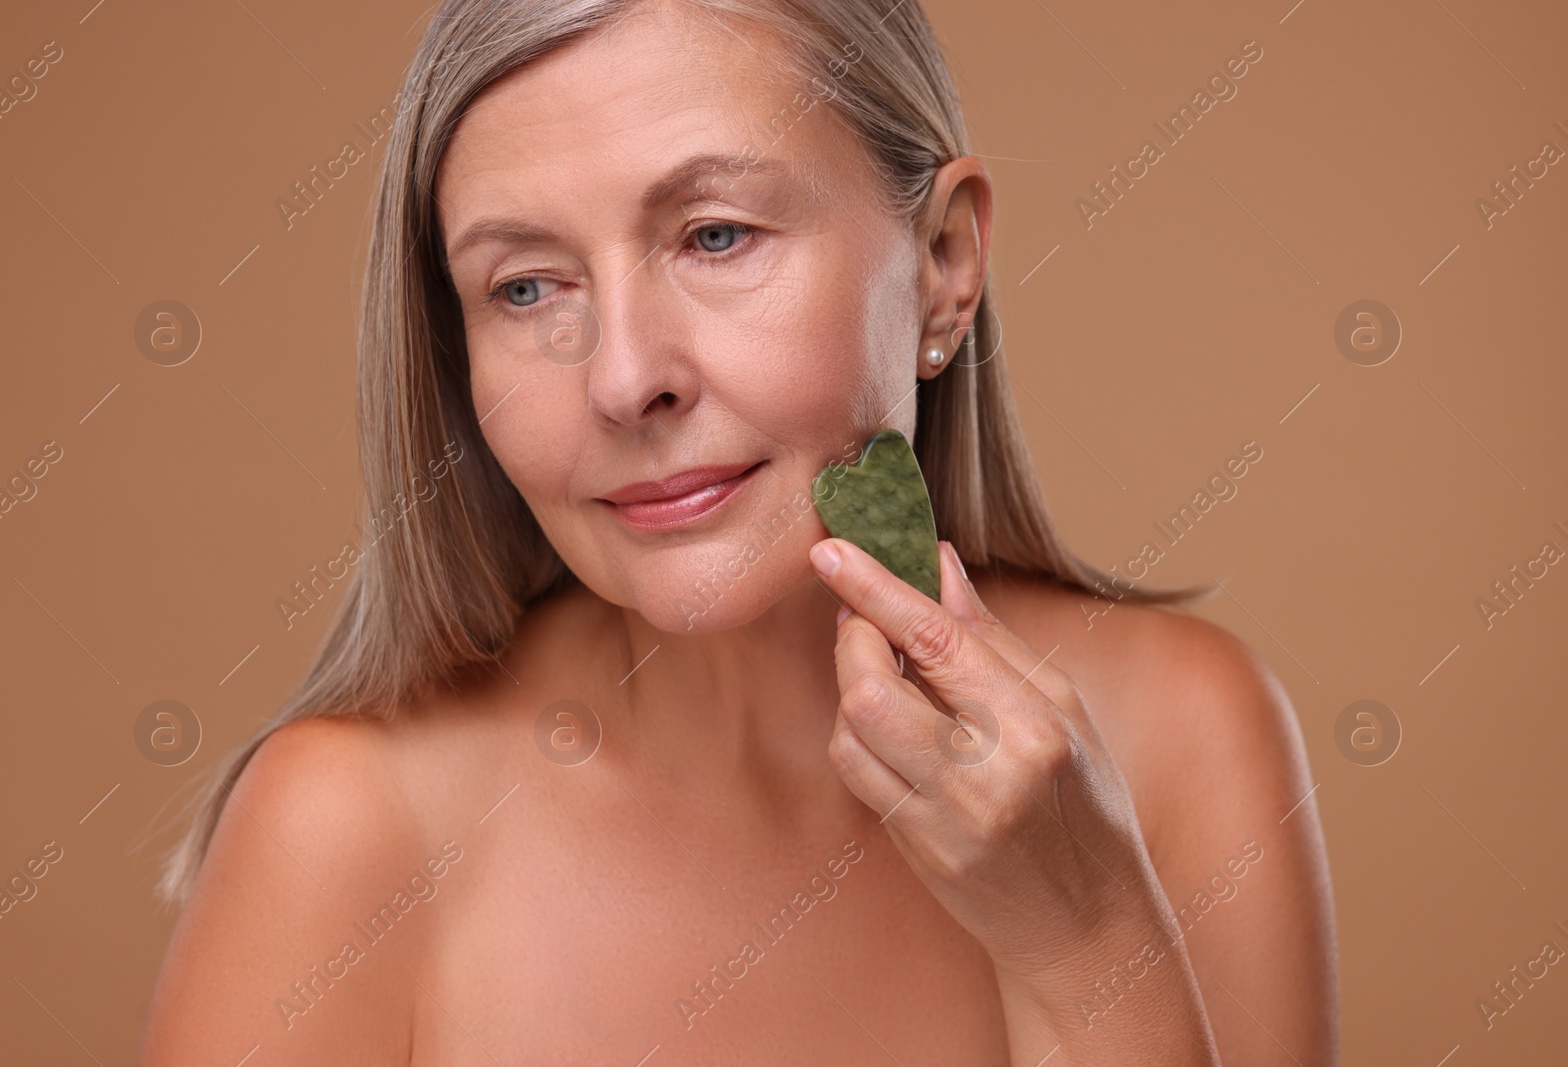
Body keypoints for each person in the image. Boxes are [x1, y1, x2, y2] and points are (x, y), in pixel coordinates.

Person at [138, 0, 1337, 1062]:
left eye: (714, 235)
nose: (621, 377)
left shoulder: (1184, 738)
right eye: (527, 286)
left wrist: (1086, 943)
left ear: (943, 261)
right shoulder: (345, 827)